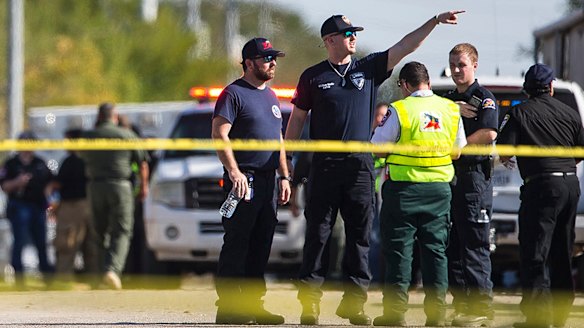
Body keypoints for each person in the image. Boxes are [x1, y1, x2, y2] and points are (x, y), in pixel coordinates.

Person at [284, 11, 464, 325]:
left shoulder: (367, 69)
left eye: (354, 33)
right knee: (318, 236)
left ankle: (354, 303)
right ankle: (309, 304)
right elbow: (297, 119)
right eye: (347, 33)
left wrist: (433, 21)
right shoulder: (312, 76)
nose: (353, 37)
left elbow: (406, 46)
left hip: (359, 169)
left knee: (360, 236)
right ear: (329, 41)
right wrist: (287, 158)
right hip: (324, 168)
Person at [370, 61, 466, 326]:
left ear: (404, 85)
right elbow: (457, 151)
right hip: (438, 191)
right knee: (436, 251)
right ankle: (436, 316)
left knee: (400, 252)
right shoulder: (449, 109)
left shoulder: (400, 109)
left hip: (403, 190)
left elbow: (377, 148)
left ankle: (395, 315)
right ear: (429, 83)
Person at [212, 37, 291, 325]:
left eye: (274, 58)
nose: (273, 63)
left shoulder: (271, 96)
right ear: (249, 63)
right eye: (267, 58)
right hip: (244, 180)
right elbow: (220, 135)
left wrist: (284, 175)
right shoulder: (233, 94)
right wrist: (234, 172)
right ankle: (230, 308)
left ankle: (254, 305)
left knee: (261, 244)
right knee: (238, 243)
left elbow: (279, 140)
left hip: (269, 181)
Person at [497, 63, 584, 328]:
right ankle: (559, 316)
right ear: (551, 87)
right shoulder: (570, 113)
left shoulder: (519, 113)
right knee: (561, 252)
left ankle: (538, 317)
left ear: (526, 89)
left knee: (535, 252)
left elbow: (504, 150)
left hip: (541, 188)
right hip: (569, 187)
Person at [443, 43, 498, 326]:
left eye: (461, 65)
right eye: (452, 64)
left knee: (475, 244)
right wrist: (452, 108)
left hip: (473, 180)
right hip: (448, 179)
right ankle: (462, 304)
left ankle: (480, 307)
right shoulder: (449, 99)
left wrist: (459, 149)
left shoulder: (483, 97)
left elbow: (488, 132)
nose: (455, 70)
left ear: (474, 65)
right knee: (453, 245)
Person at [81, 102, 149, 290]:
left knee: (98, 232)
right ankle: (112, 270)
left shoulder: (88, 137)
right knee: (121, 231)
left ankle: (99, 274)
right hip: (121, 186)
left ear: (99, 117)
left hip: (95, 186)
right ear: (115, 116)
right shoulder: (127, 135)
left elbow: (80, 157)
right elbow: (143, 163)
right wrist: (144, 187)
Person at [0, 131, 54, 289]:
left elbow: (51, 182)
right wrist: (17, 182)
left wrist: (48, 194)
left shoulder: (40, 162)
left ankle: (48, 278)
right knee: (19, 243)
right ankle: (19, 280)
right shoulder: (11, 163)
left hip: (38, 207)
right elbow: (4, 186)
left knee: (41, 243)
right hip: (19, 207)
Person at [52, 129, 99, 287]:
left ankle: (64, 280)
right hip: (91, 205)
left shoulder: (70, 161)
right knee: (91, 245)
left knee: (67, 243)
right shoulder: (92, 159)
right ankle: (94, 280)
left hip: (72, 207)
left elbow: (58, 184)